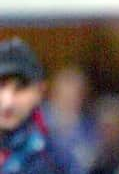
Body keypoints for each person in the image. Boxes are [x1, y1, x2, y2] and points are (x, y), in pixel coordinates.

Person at [0, 37, 80, 173]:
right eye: (1, 86)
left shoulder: (53, 158)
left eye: (20, 88)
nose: (8, 102)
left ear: (40, 91)